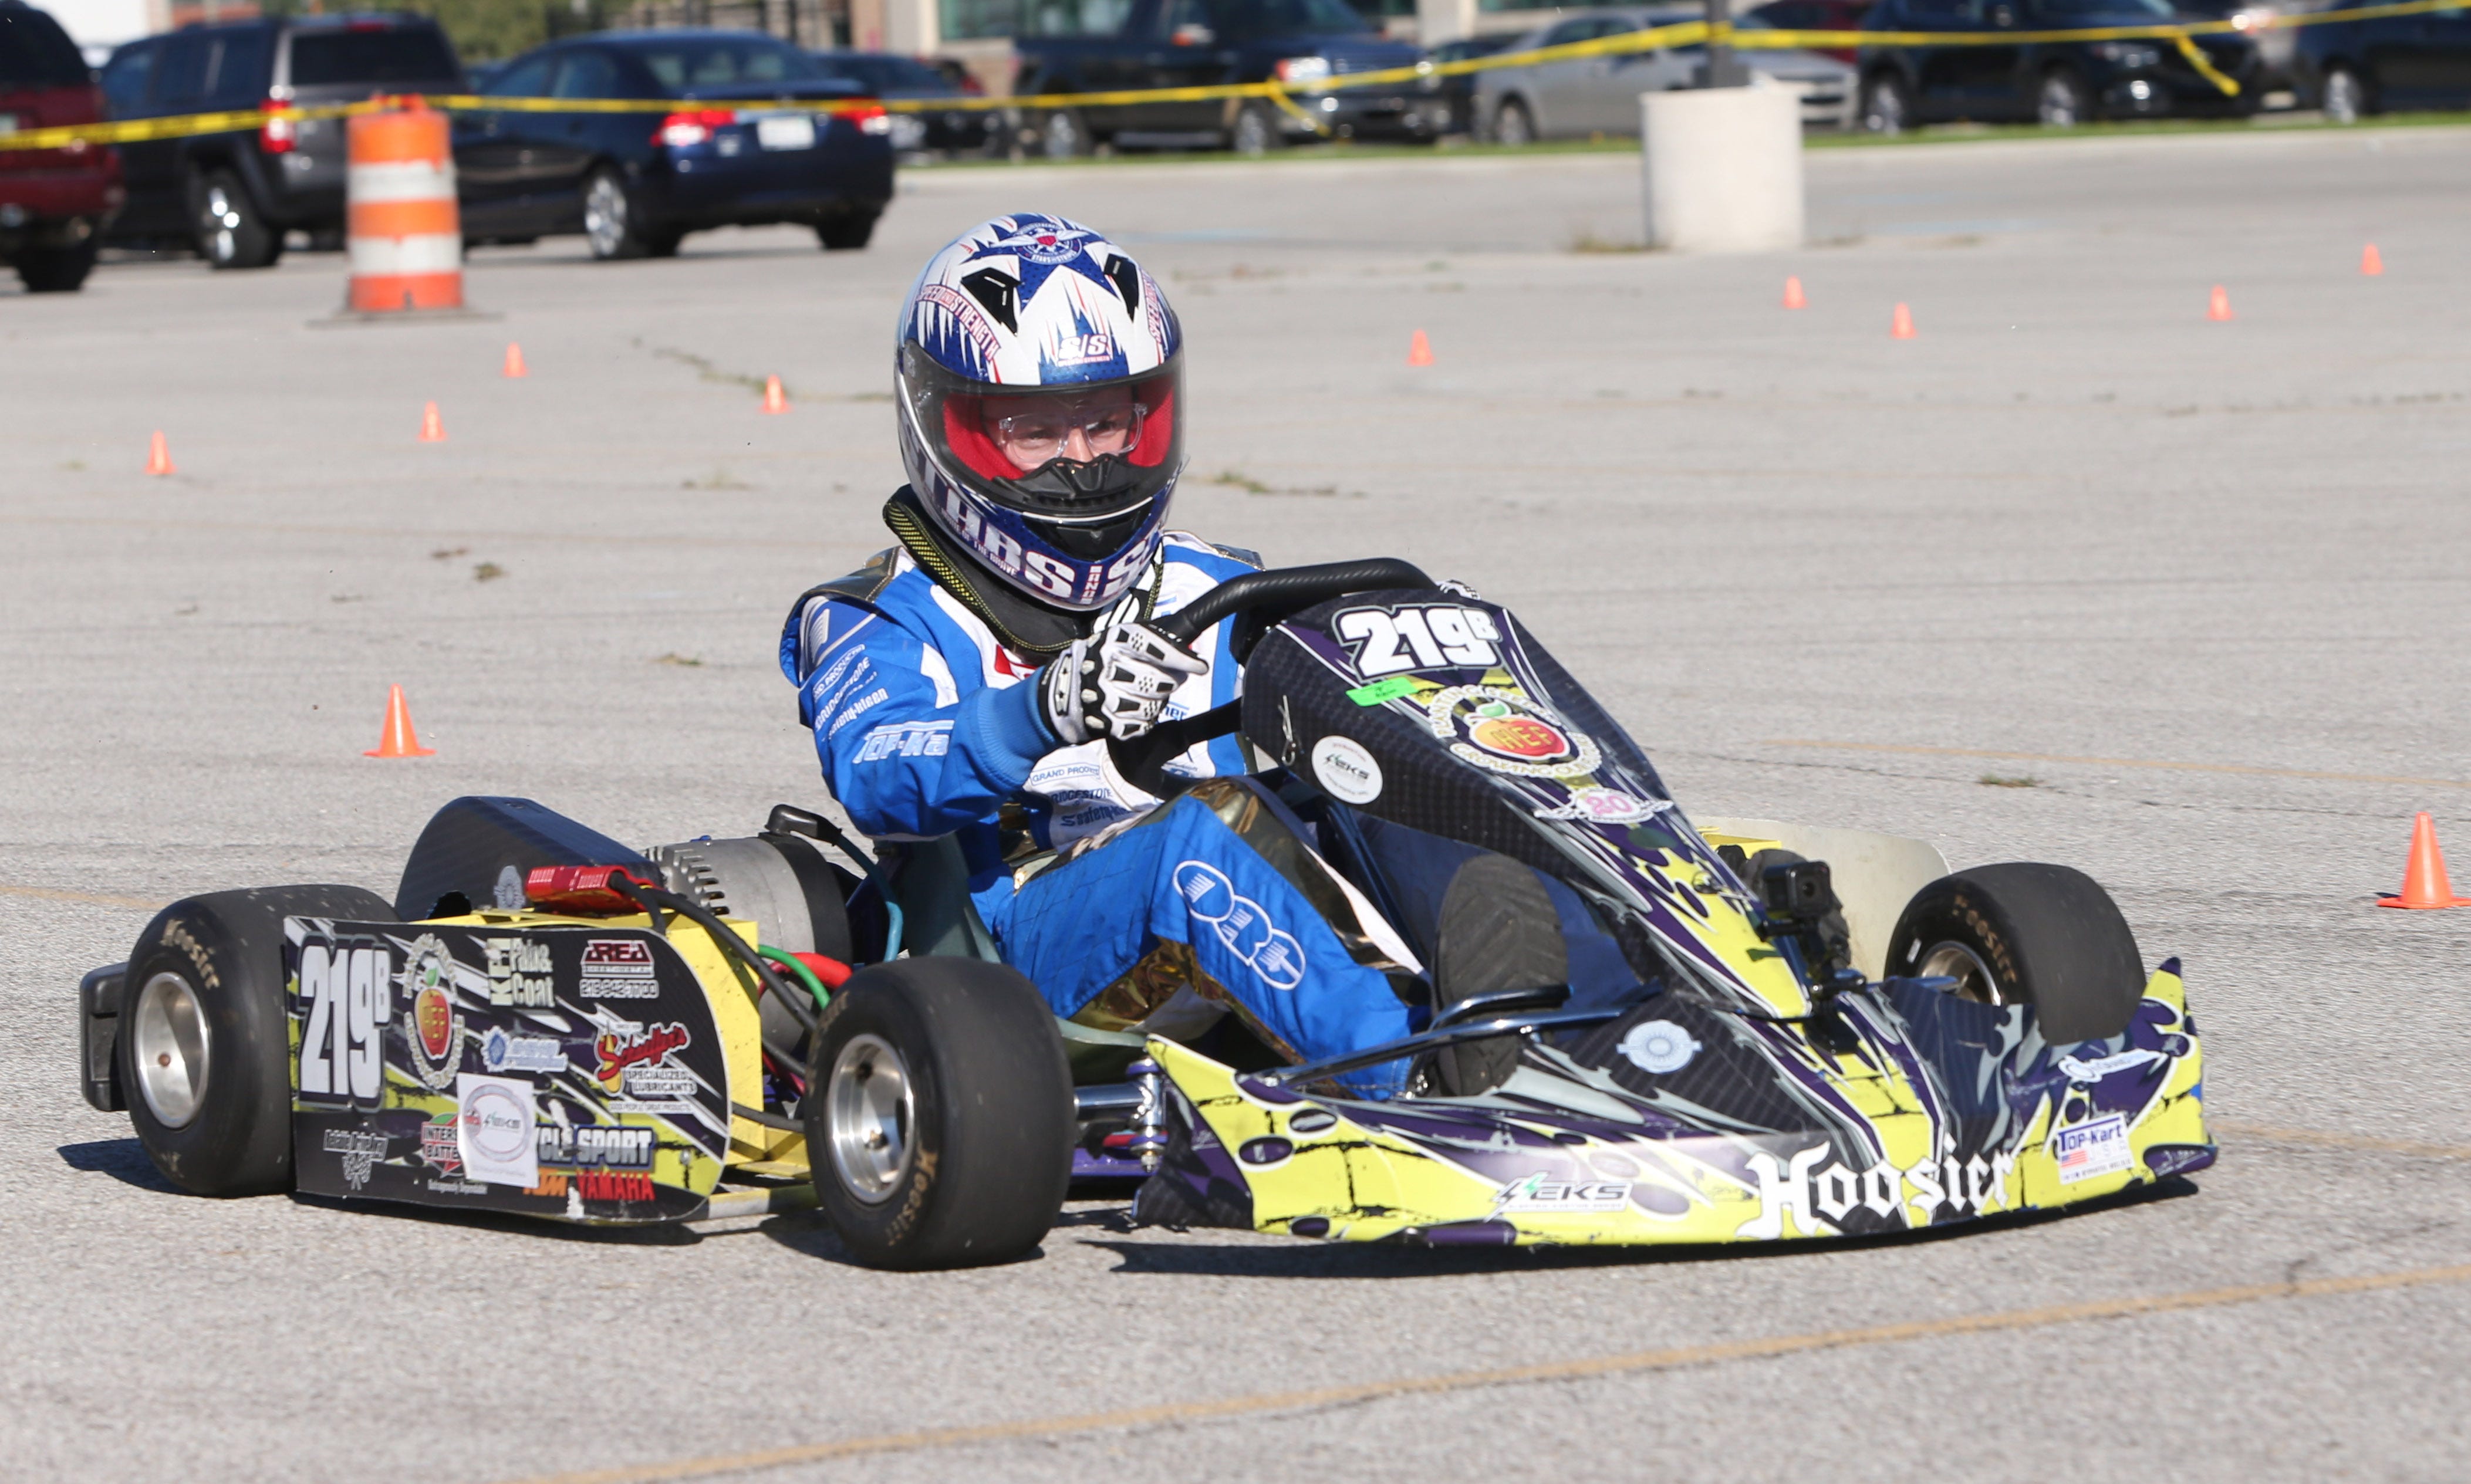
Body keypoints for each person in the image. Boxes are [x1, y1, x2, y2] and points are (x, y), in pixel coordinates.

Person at [780, 214, 1563, 1096]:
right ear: (948, 427)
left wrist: (1417, 660)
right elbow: (878, 777)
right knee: (1198, 837)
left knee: (1432, 793)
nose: (1083, 462)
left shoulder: (1216, 580)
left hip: (1243, 895)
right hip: (1011, 962)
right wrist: (1042, 711)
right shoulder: (875, 615)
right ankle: (1420, 1088)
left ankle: (1601, 1036)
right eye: (1036, 432)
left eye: (1107, 423)